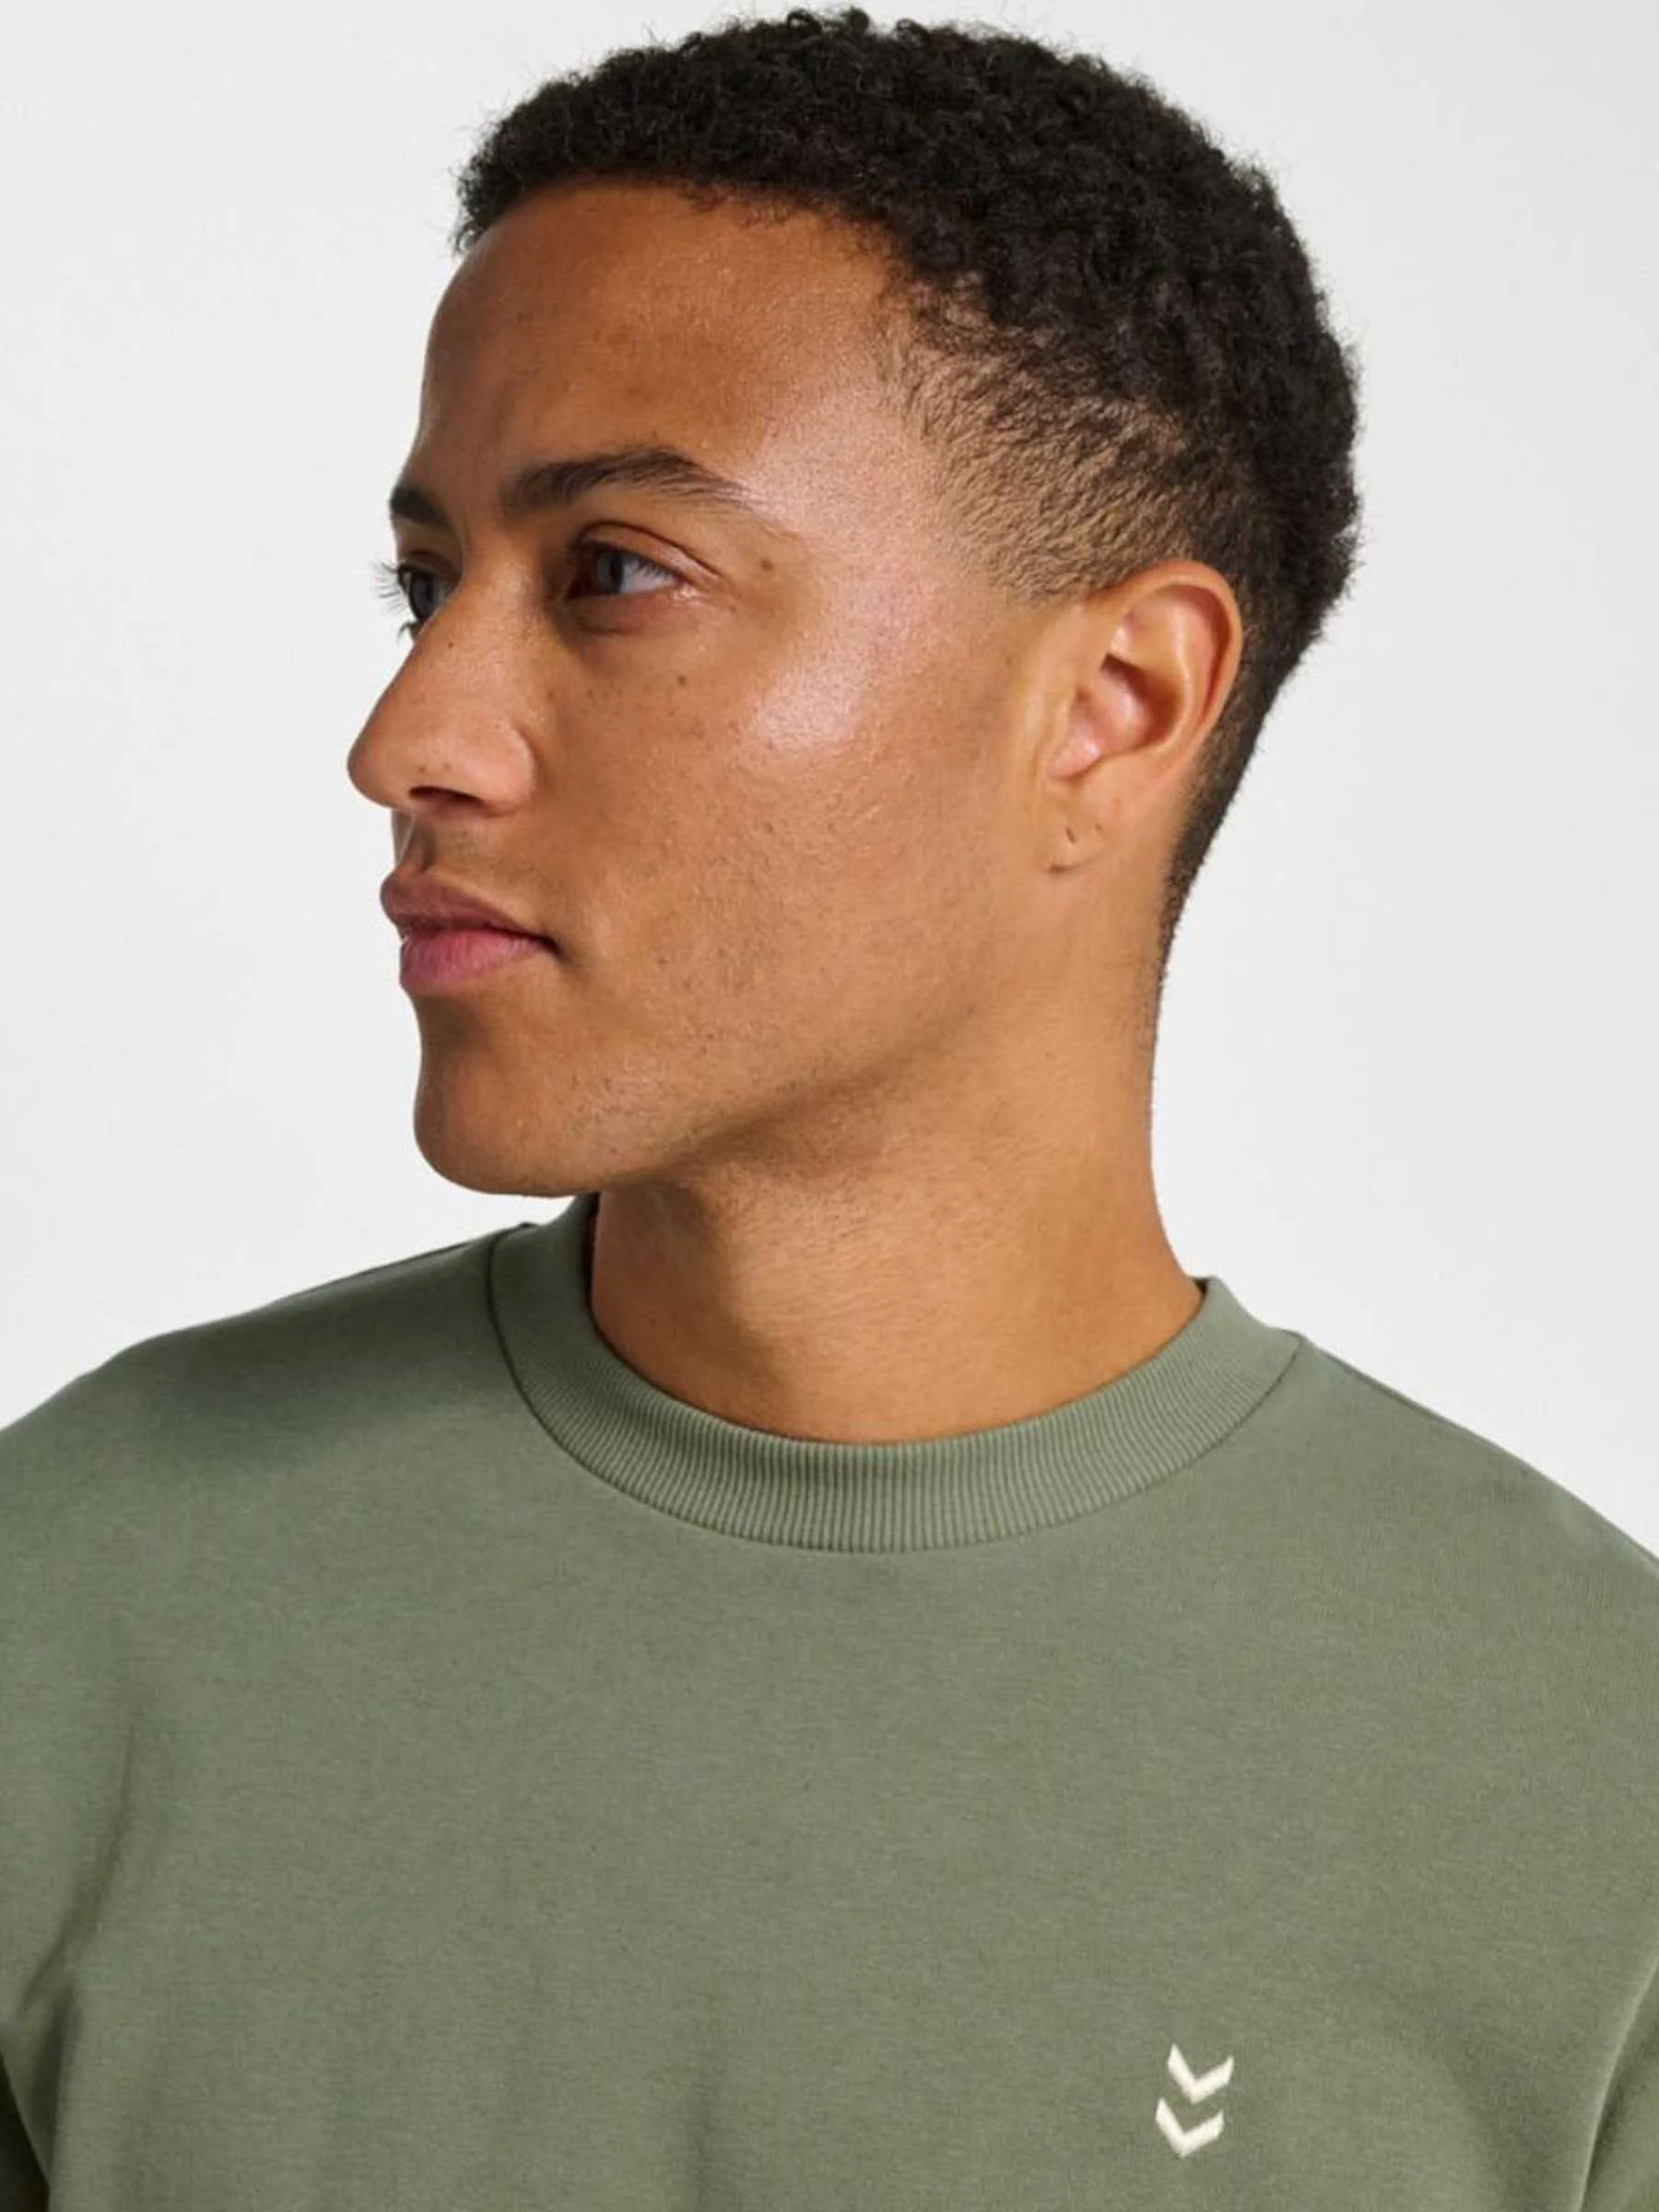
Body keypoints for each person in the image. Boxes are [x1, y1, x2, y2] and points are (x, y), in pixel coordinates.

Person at [3, 8, 1653, 2207]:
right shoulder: (70, 1614)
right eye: (426, 585)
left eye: (615, 574)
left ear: (1112, 705)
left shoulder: (1592, 1788)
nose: (407, 736)